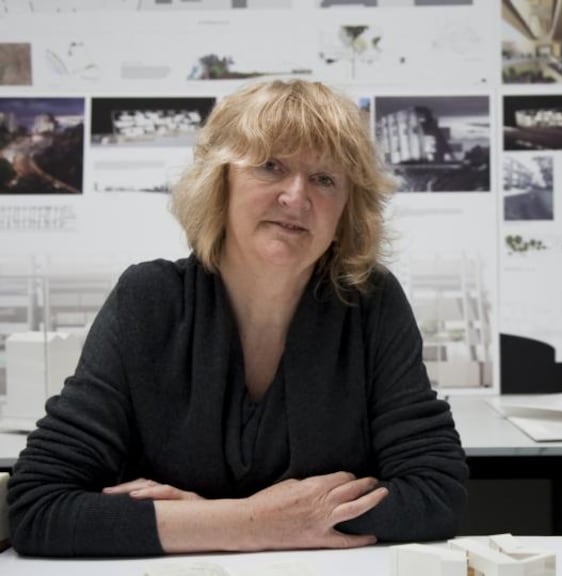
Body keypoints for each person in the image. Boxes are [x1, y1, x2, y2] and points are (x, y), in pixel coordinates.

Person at [7, 80, 468, 557]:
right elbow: (38, 506)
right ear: (220, 180)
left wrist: (203, 522)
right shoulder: (149, 300)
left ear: (348, 210)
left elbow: (435, 493)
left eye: (325, 179)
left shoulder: (370, 302)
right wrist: (249, 523)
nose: (296, 196)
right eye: (271, 166)